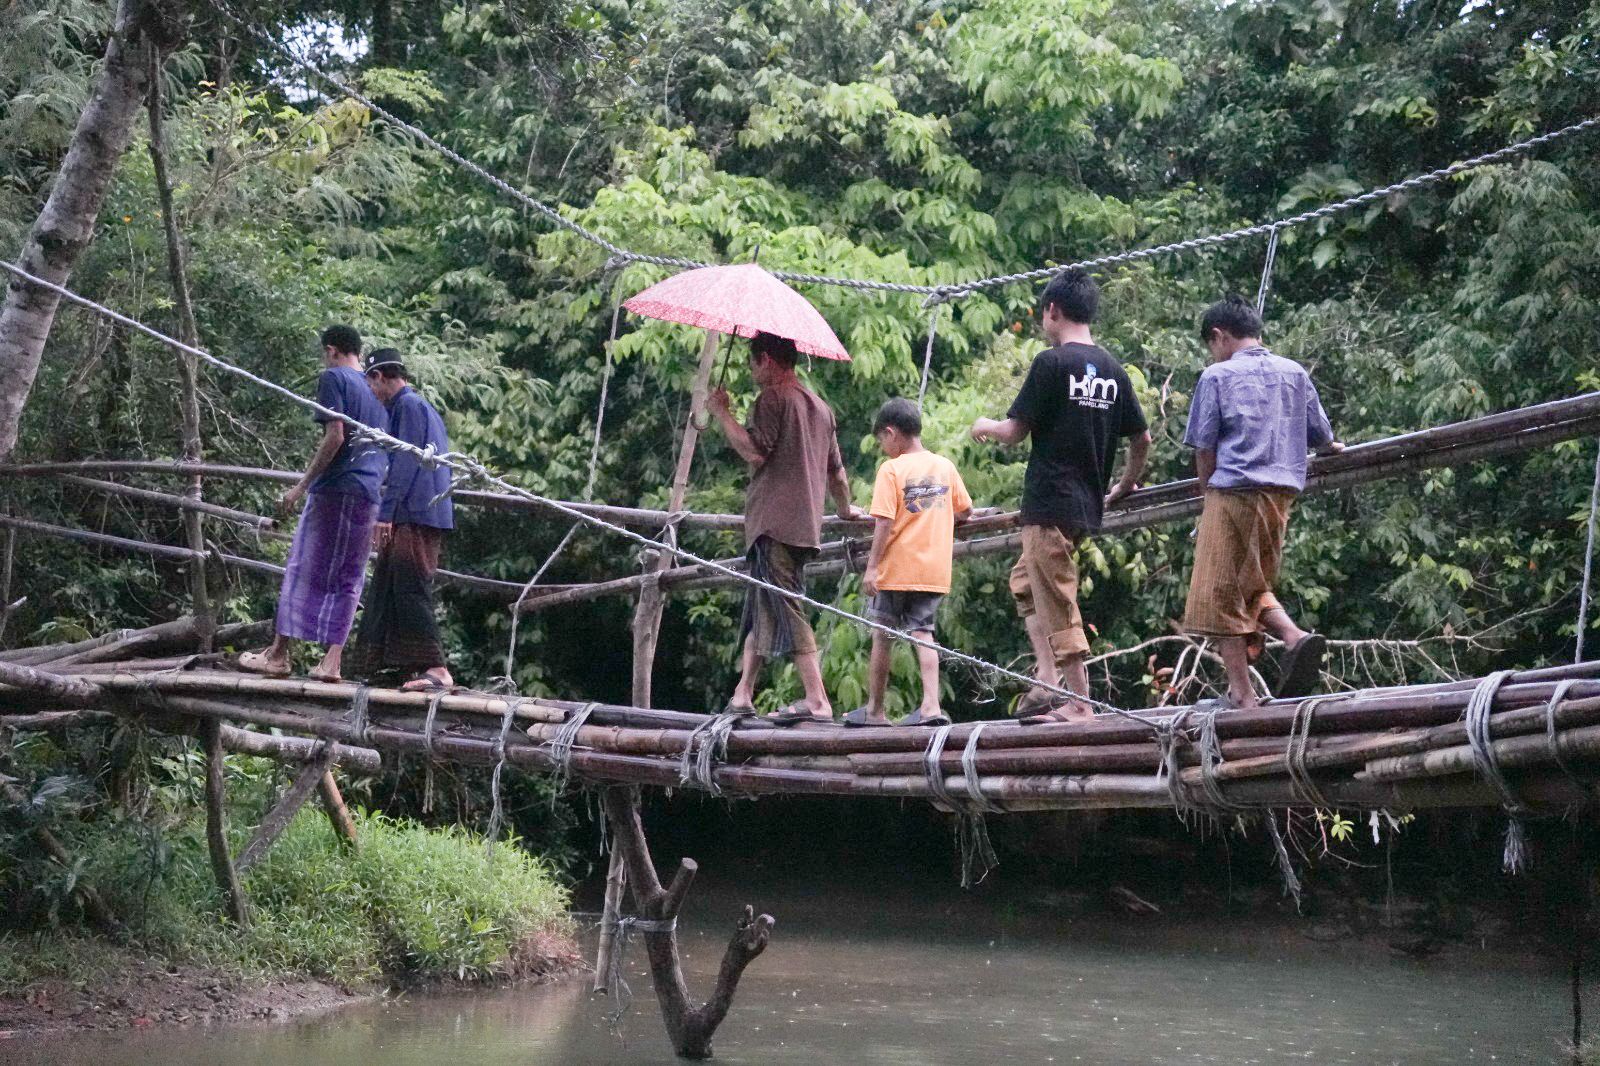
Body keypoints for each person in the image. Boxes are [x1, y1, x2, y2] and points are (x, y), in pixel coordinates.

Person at [970, 269, 1150, 723]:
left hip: (1048, 502)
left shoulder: (1050, 364)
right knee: (1026, 583)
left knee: (1056, 596)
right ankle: (1049, 681)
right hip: (1084, 505)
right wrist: (1126, 483)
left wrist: (984, 426)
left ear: (1053, 311)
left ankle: (1080, 703)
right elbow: (1142, 438)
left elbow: (1013, 433)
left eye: (1042, 316)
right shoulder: (1112, 370)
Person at [1181, 296, 1343, 708]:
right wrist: (1331, 448)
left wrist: (1208, 500)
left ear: (1219, 336)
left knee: (1216, 595)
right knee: (1250, 583)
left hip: (1234, 491)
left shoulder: (1216, 376)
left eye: (1210, 344)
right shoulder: (1294, 373)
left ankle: (1242, 696)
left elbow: (1204, 448)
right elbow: (1321, 435)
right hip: (1281, 495)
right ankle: (1295, 638)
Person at [707, 332, 865, 725]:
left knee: (786, 605)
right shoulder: (821, 409)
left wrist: (721, 412)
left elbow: (754, 451)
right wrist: (845, 510)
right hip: (803, 524)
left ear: (766, 360)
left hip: (773, 522)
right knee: (766, 604)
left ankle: (817, 700)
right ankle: (743, 692)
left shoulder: (773, 399)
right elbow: (838, 475)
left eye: (752, 363)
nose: (751, 371)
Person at [240, 325, 389, 683]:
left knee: (303, 565)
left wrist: (300, 487)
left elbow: (335, 435)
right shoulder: (376, 391)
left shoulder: (334, 378)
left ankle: (278, 655)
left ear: (332, 350)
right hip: (370, 492)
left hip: (336, 488)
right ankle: (331, 662)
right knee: (350, 576)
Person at [842, 398, 974, 728]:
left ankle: (875, 711)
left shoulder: (891, 470)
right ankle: (931, 706)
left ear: (892, 433)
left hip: (896, 568)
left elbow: (883, 522)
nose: (883, 447)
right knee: (924, 633)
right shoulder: (944, 466)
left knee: (882, 634)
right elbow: (965, 511)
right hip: (932, 568)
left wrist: (871, 567)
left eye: (882, 440)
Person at [349, 349, 455, 691]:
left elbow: (407, 463)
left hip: (417, 510)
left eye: (370, 382)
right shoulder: (410, 408)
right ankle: (396, 666)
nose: (371, 390)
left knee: (410, 585)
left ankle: (437, 669)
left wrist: (385, 514)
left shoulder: (409, 406)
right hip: (418, 509)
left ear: (380, 376)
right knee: (389, 584)